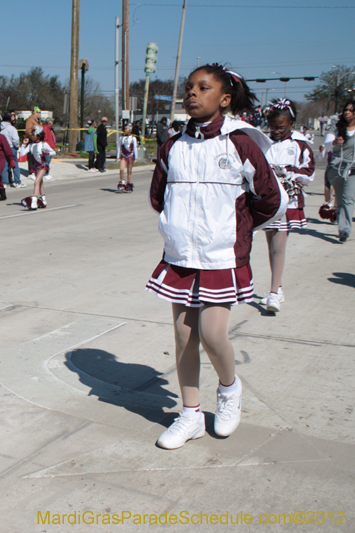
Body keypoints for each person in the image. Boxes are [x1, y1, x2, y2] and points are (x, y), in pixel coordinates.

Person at [146, 63, 286, 450]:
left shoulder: (241, 143)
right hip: (180, 256)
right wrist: (178, 227)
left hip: (222, 255)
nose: (192, 93)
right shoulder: (171, 146)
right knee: (182, 336)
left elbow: (270, 199)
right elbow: (159, 198)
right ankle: (190, 413)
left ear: (224, 99)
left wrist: (236, 232)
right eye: (189, 87)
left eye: (203, 88)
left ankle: (229, 390)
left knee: (211, 334)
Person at [259, 98, 315, 311]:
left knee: (279, 246)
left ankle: (273, 293)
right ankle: (278, 287)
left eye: (280, 127)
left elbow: (309, 172)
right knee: (270, 244)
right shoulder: (264, 142)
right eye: (273, 127)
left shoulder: (300, 145)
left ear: (291, 123)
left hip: (288, 199)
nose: (276, 131)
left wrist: (288, 172)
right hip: (267, 200)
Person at [324, 99, 355, 242]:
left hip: (352, 169)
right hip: (336, 168)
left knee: (348, 199)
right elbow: (327, 144)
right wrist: (334, 142)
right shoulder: (335, 127)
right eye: (346, 109)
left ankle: (344, 229)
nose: (347, 112)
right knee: (341, 199)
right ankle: (341, 223)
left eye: (351, 110)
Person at [19, 125, 56, 210]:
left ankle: (34, 201)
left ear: (38, 136)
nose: (32, 137)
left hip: (43, 165)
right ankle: (43, 198)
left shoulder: (43, 144)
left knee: (36, 181)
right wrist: (24, 144)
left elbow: (53, 152)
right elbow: (21, 153)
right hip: (36, 166)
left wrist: (48, 153)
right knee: (40, 182)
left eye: (33, 135)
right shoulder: (31, 145)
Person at [0, 113, 24, 187]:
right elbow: (16, 139)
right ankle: (17, 182)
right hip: (11, 147)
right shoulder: (12, 128)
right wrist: (16, 146)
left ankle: (5, 182)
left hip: (3, 148)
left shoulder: (0, 128)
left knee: (5, 166)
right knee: (15, 165)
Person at [116, 124, 138, 192]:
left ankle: (129, 183)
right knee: (121, 169)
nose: (125, 130)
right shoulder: (121, 138)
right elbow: (119, 147)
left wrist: (136, 157)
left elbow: (135, 148)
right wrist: (117, 156)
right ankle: (122, 182)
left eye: (126, 129)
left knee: (129, 170)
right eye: (125, 129)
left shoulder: (133, 138)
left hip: (130, 156)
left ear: (130, 130)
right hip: (123, 155)